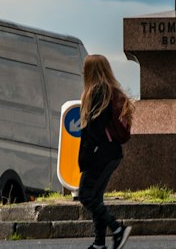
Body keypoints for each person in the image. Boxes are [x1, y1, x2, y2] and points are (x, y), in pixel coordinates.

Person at [77, 55, 133, 249]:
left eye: (85, 68)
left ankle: (117, 229)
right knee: (96, 197)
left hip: (100, 154)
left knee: (85, 195)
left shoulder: (97, 91)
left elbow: (94, 131)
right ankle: (99, 244)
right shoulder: (110, 91)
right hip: (111, 153)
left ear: (91, 70)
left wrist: (88, 154)